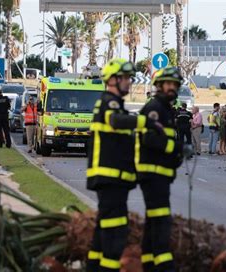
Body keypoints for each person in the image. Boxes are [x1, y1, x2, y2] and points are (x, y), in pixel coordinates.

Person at [86, 58, 162, 272]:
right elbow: (115, 121)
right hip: (110, 177)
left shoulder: (115, 104)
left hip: (114, 178)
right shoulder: (109, 102)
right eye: (126, 78)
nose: (129, 82)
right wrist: (145, 121)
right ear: (113, 80)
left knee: (102, 233)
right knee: (115, 234)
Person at [135, 67, 184, 272]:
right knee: (161, 220)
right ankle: (164, 266)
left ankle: (148, 263)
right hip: (153, 174)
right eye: (168, 84)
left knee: (153, 221)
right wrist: (177, 149)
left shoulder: (166, 109)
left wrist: (178, 154)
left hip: (159, 174)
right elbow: (150, 138)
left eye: (175, 84)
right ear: (159, 86)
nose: (172, 88)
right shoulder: (155, 109)